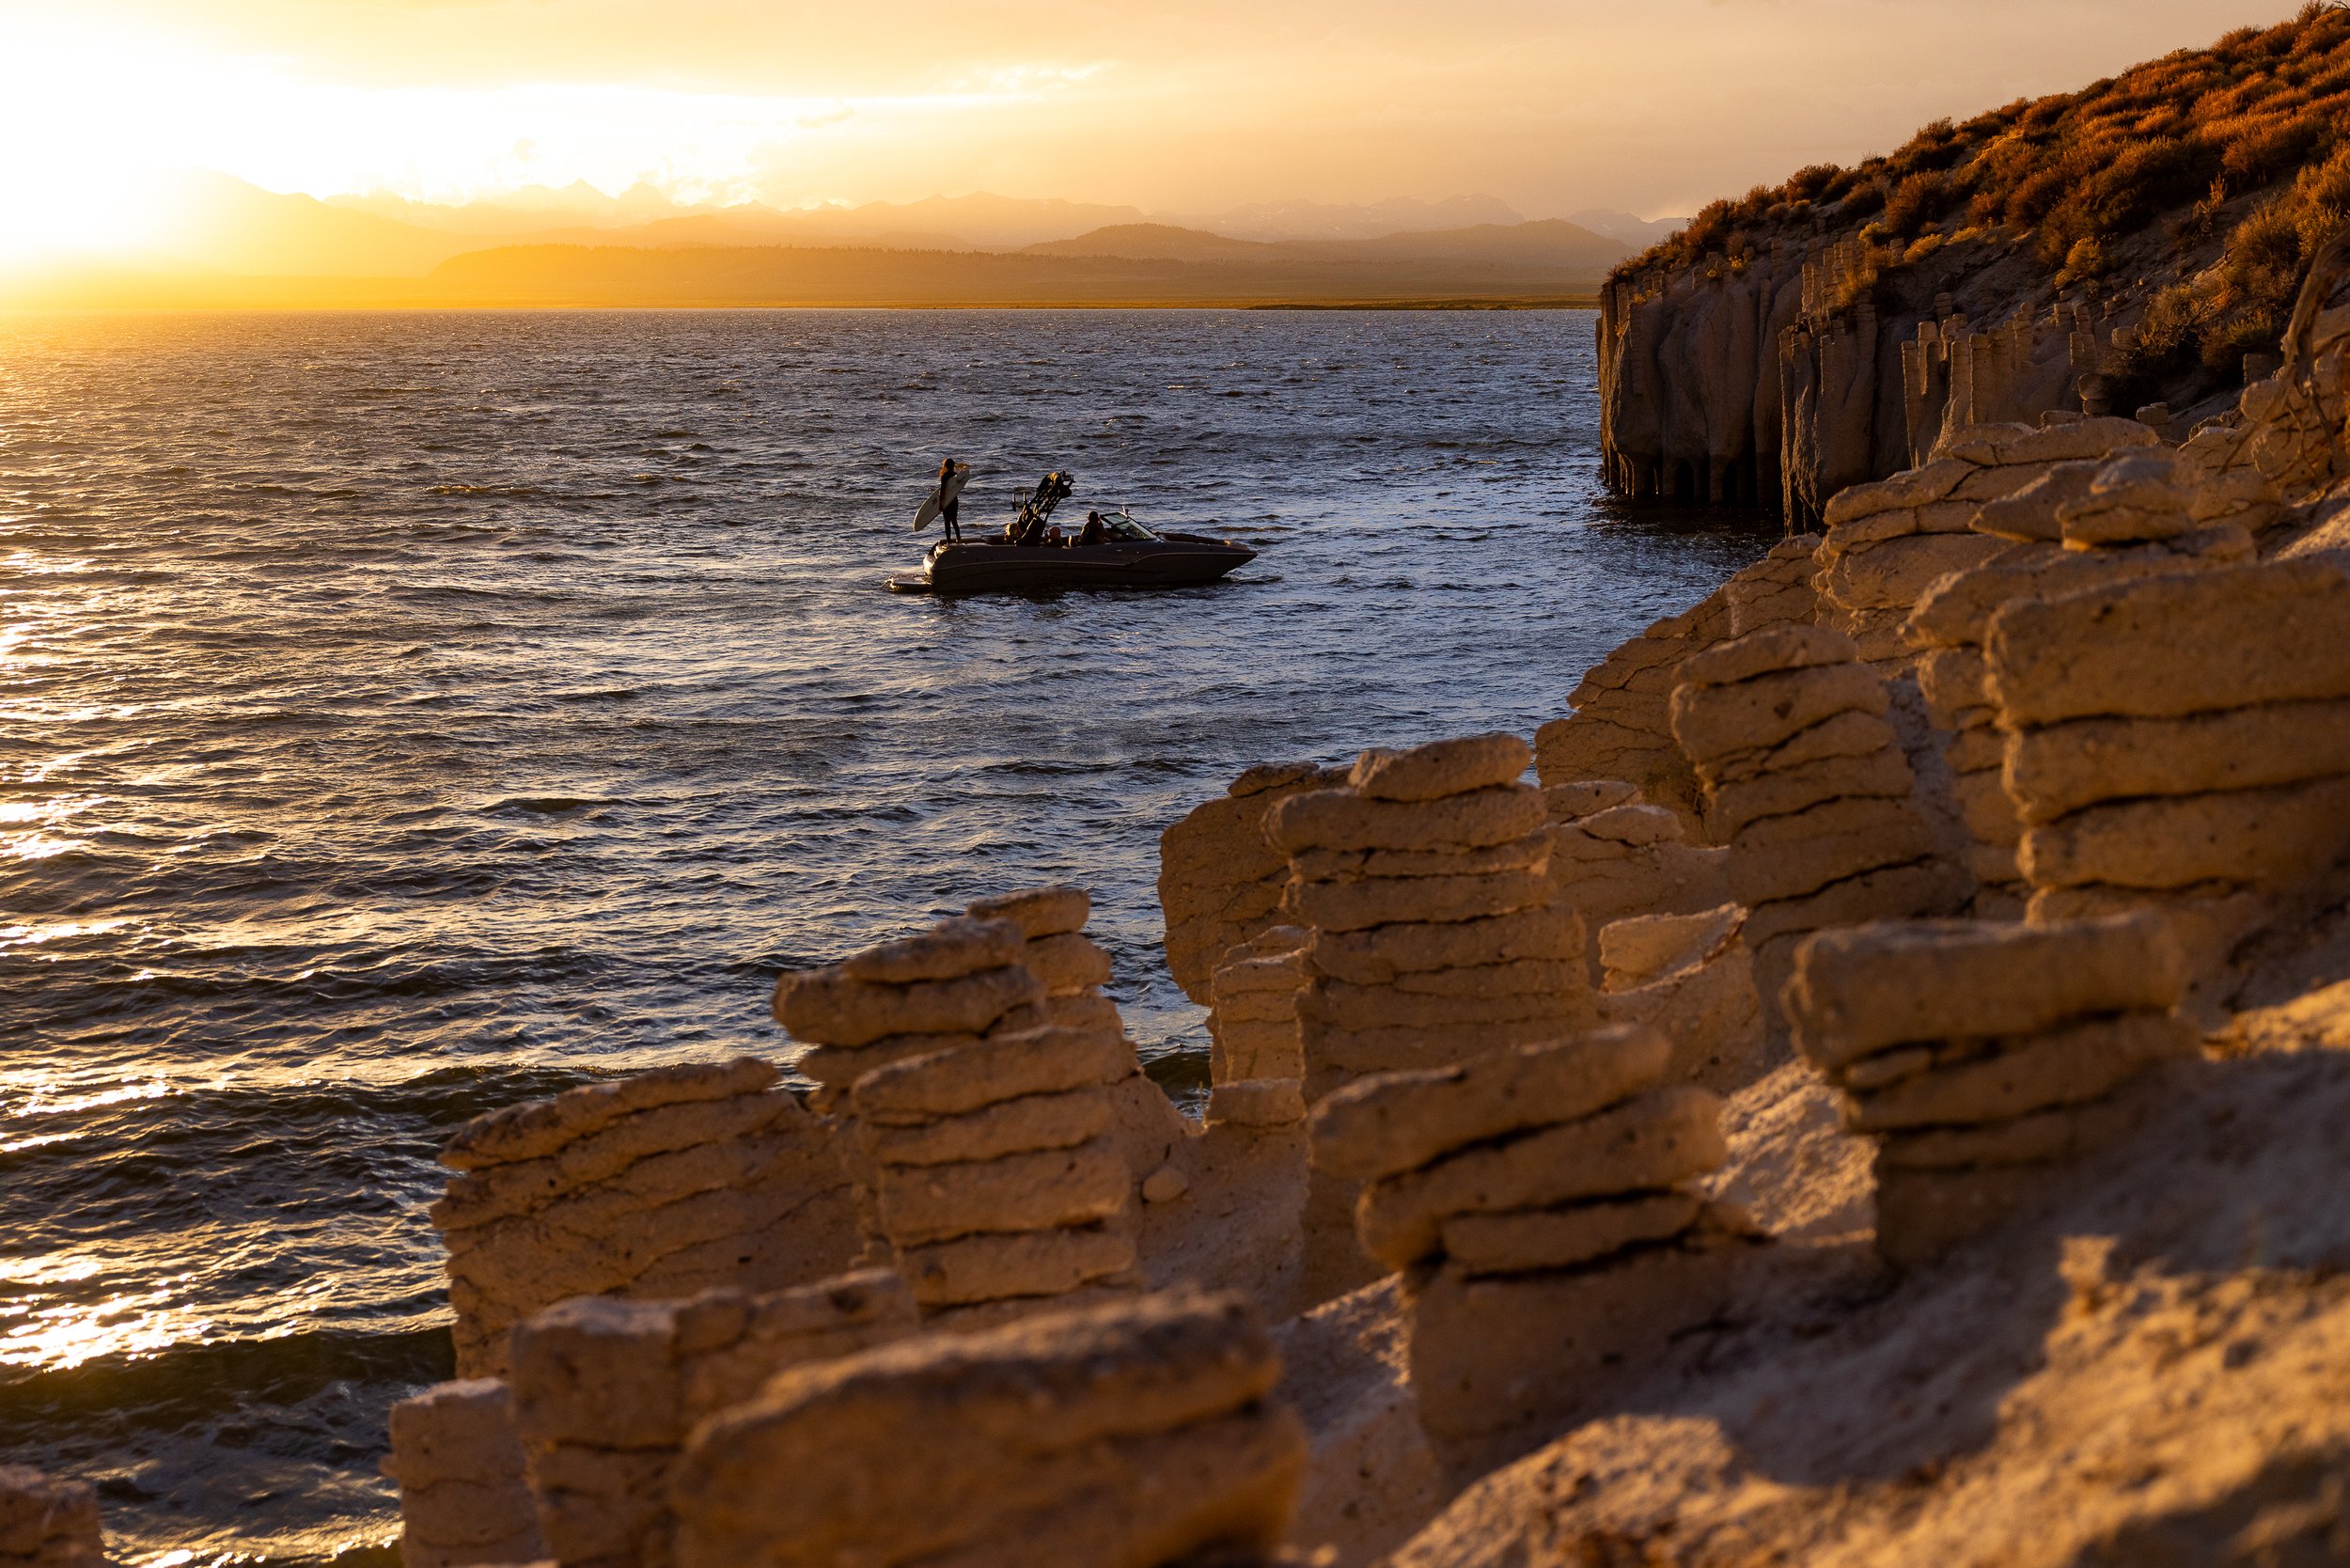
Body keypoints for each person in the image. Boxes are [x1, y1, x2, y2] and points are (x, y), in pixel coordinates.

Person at [935, 457, 964, 542]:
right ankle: (958, 539)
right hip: (954, 500)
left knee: (947, 522)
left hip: (947, 502)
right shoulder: (955, 475)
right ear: (952, 466)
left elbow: (943, 491)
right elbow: (958, 488)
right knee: (954, 521)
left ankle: (949, 541)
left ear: (946, 466)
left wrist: (941, 504)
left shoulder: (945, 476)